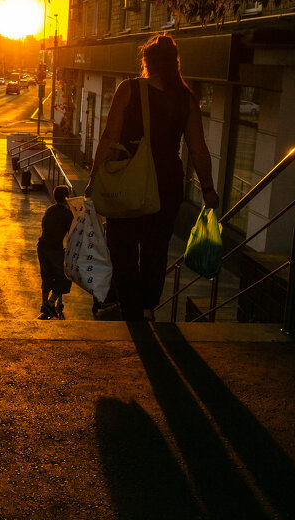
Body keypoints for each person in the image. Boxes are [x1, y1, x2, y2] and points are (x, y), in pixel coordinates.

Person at [87, 34, 219, 322]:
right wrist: (208, 189)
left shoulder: (130, 89)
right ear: (175, 63)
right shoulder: (186, 99)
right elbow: (198, 149)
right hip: (167, 186)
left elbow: (109, 137)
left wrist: (95, 175)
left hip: (128, 181)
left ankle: (131, 307)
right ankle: (147, 307)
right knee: (156, 250)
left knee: (121, 247)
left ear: (146, 62)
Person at [37, 185, 75, 319]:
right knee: (64, 278)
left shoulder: (49, 210)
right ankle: (51, 302)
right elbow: (72, 232)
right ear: (67, 197)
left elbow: (44, 226)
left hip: (42, 247)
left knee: (46, 276)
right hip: (55, 249)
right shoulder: (67, 214)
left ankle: (44, 303)